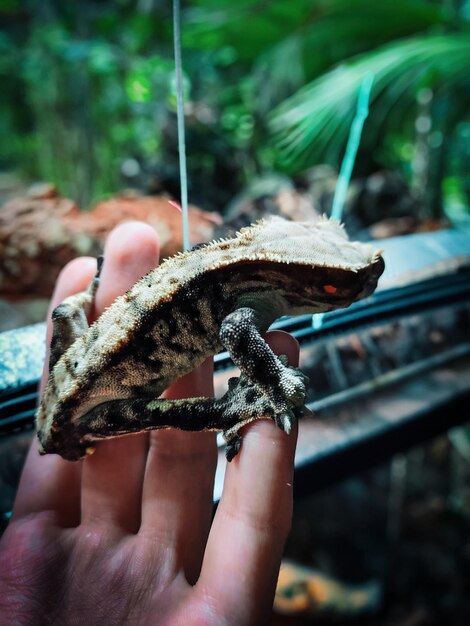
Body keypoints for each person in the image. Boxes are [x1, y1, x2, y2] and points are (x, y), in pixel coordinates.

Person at [0, 221, 299, 625]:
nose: (75, 456)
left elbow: (65, 314)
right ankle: (229, 411)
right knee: (157, 412)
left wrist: (82, 301)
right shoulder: (79, 428)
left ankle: (228, 410)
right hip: (76, 412)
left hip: (72, 392)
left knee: (73, 319)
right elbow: (67, 317)